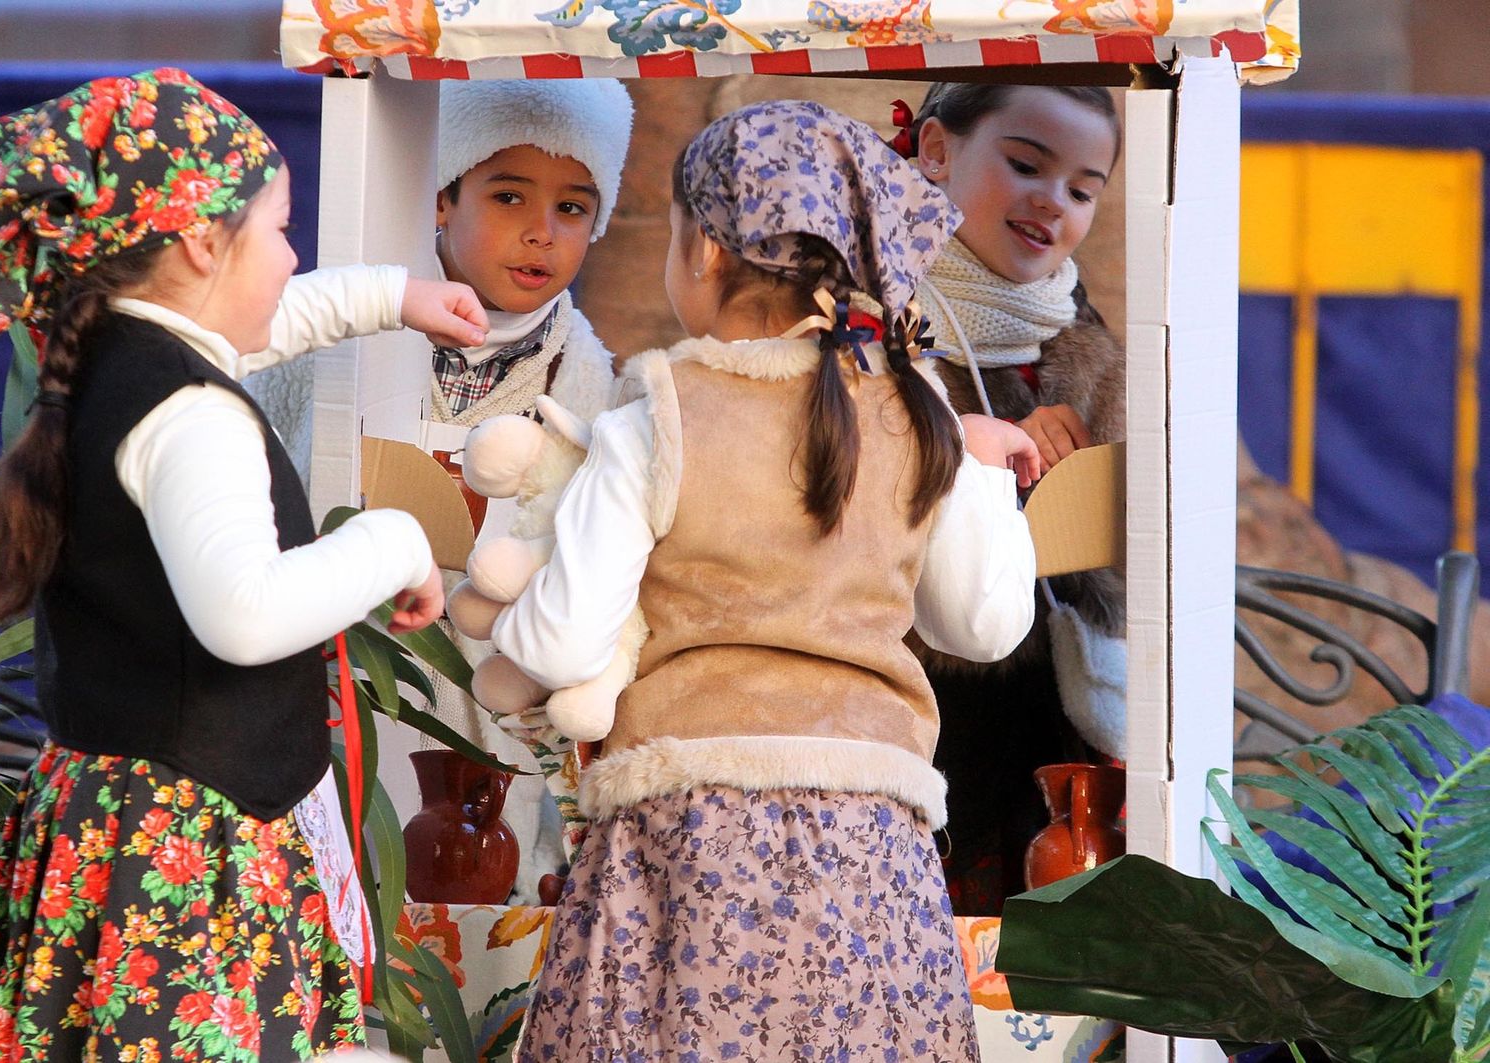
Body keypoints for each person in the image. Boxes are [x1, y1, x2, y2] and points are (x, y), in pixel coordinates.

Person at [0, 68, 486, 1061]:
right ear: (197, 241)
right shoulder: (192, 415)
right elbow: (245, 614)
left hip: (110, 818)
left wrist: (396, 295)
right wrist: (392, 538)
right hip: (187, 848)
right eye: (280, 229)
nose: (292, 254)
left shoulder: (106, 354)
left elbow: (256, 327)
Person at [491, 99, 1039, 1061]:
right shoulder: (921, 411)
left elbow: (563, 643)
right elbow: (984, 625)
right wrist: (984, 468)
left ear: (704, 249)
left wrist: (516, 582)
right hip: (872, 850)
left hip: (684, 839)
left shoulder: (656, 412)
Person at [904, 82, 1127, 911]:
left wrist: (1085, 486)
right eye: (1026, 165)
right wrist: (970, 451)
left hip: (1055, 728)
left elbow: (1132, 562)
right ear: (935, 151)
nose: (1052, 202)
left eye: (1081, 188)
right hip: (904, 715)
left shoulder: (1091, 350)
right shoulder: (867, 328)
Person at [418, 78, 636, 902]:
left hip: (503, 741)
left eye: (574, 208)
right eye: (508, 194)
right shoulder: (348, 348)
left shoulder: (594, 393)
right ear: (443, 195)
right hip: (356, 703)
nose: (541, 232)